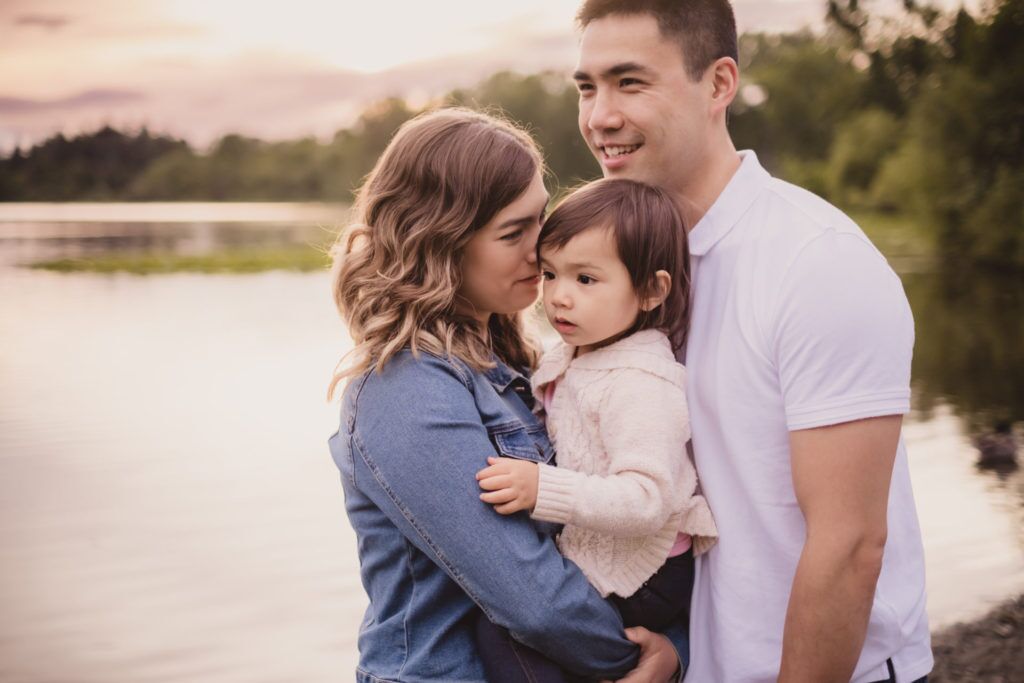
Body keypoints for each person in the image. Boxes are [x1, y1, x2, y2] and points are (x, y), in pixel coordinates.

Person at [571, 1, 932, 682]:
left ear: (719, 83)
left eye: (630, 82)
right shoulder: (625, 273)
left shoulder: (816, 262)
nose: (600, 117)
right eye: (587, 87)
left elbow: (851, 543)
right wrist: (679, 648)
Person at [327, 107, 684, 682]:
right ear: (440, 242)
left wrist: (674, 647)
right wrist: (642, 661)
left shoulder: (523, 362)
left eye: (541, 219)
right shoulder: (407, 387)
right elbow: (534, 598)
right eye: (513, 233)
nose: (541, 249)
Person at [474, 178, 719, 682]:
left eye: (586, 279)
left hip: (644, 569)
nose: (558, 297)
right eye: (550, 274)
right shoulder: (577, 352)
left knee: (506, 632)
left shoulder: (641, 383)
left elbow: (647, 499)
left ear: (651, 291)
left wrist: (542, 489)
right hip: (606, 549)